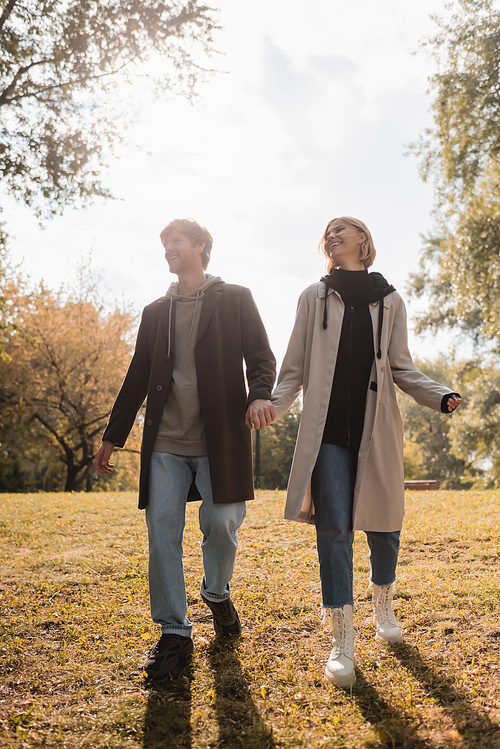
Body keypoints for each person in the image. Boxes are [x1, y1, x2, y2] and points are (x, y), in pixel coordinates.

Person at [271, 216, 461, 689]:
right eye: (328, 231)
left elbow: (402, 366)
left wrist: (438, 394)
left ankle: (382, 603)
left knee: (385, 525)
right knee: (334, 529)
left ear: (364, 240)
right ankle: (342, 638)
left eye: (343, 228)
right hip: (329, 433)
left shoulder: (390, 299)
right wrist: (270, 406)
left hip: (377, 429)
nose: (333, 235)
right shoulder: (312, 297)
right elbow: (293, 366)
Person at [95, 218, 276, 679]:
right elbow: (138, 375)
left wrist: (259, 394)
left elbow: (260, 356)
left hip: (221, 441)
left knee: (222, 523)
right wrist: (112, 436)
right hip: (166, 444)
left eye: (175, 241)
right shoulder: (156, 311)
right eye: (163, 244)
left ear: (200, 246)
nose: (167, 249)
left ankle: (216, 593)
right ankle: (174, 632)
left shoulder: (235, 297)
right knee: (163, 534)